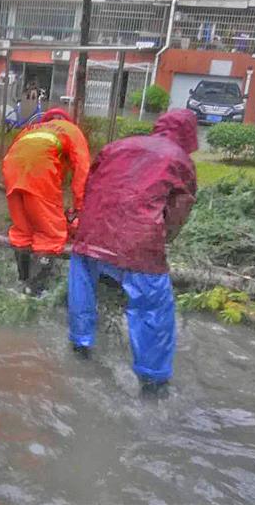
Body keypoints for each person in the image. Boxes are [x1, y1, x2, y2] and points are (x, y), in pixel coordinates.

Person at [68, 109, 198, 397]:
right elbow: (178, 212)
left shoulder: (118, 146)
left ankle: (80, 345)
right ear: (189, 135)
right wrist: (164, 240)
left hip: (90, 234)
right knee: (153, 308)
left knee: (83, 287)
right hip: (138, 242)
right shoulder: (181, 160)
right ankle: (153, 382)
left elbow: (91, 186)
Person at [2, 108, 91, 293]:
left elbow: (18, 154)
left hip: (12, 169)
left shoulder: (31, 129)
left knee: (22, 230)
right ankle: (35, 294)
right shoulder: (72, 131)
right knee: (50, 234)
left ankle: (21, 285)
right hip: (39, 172)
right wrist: (81, 207)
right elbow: (83, 171)